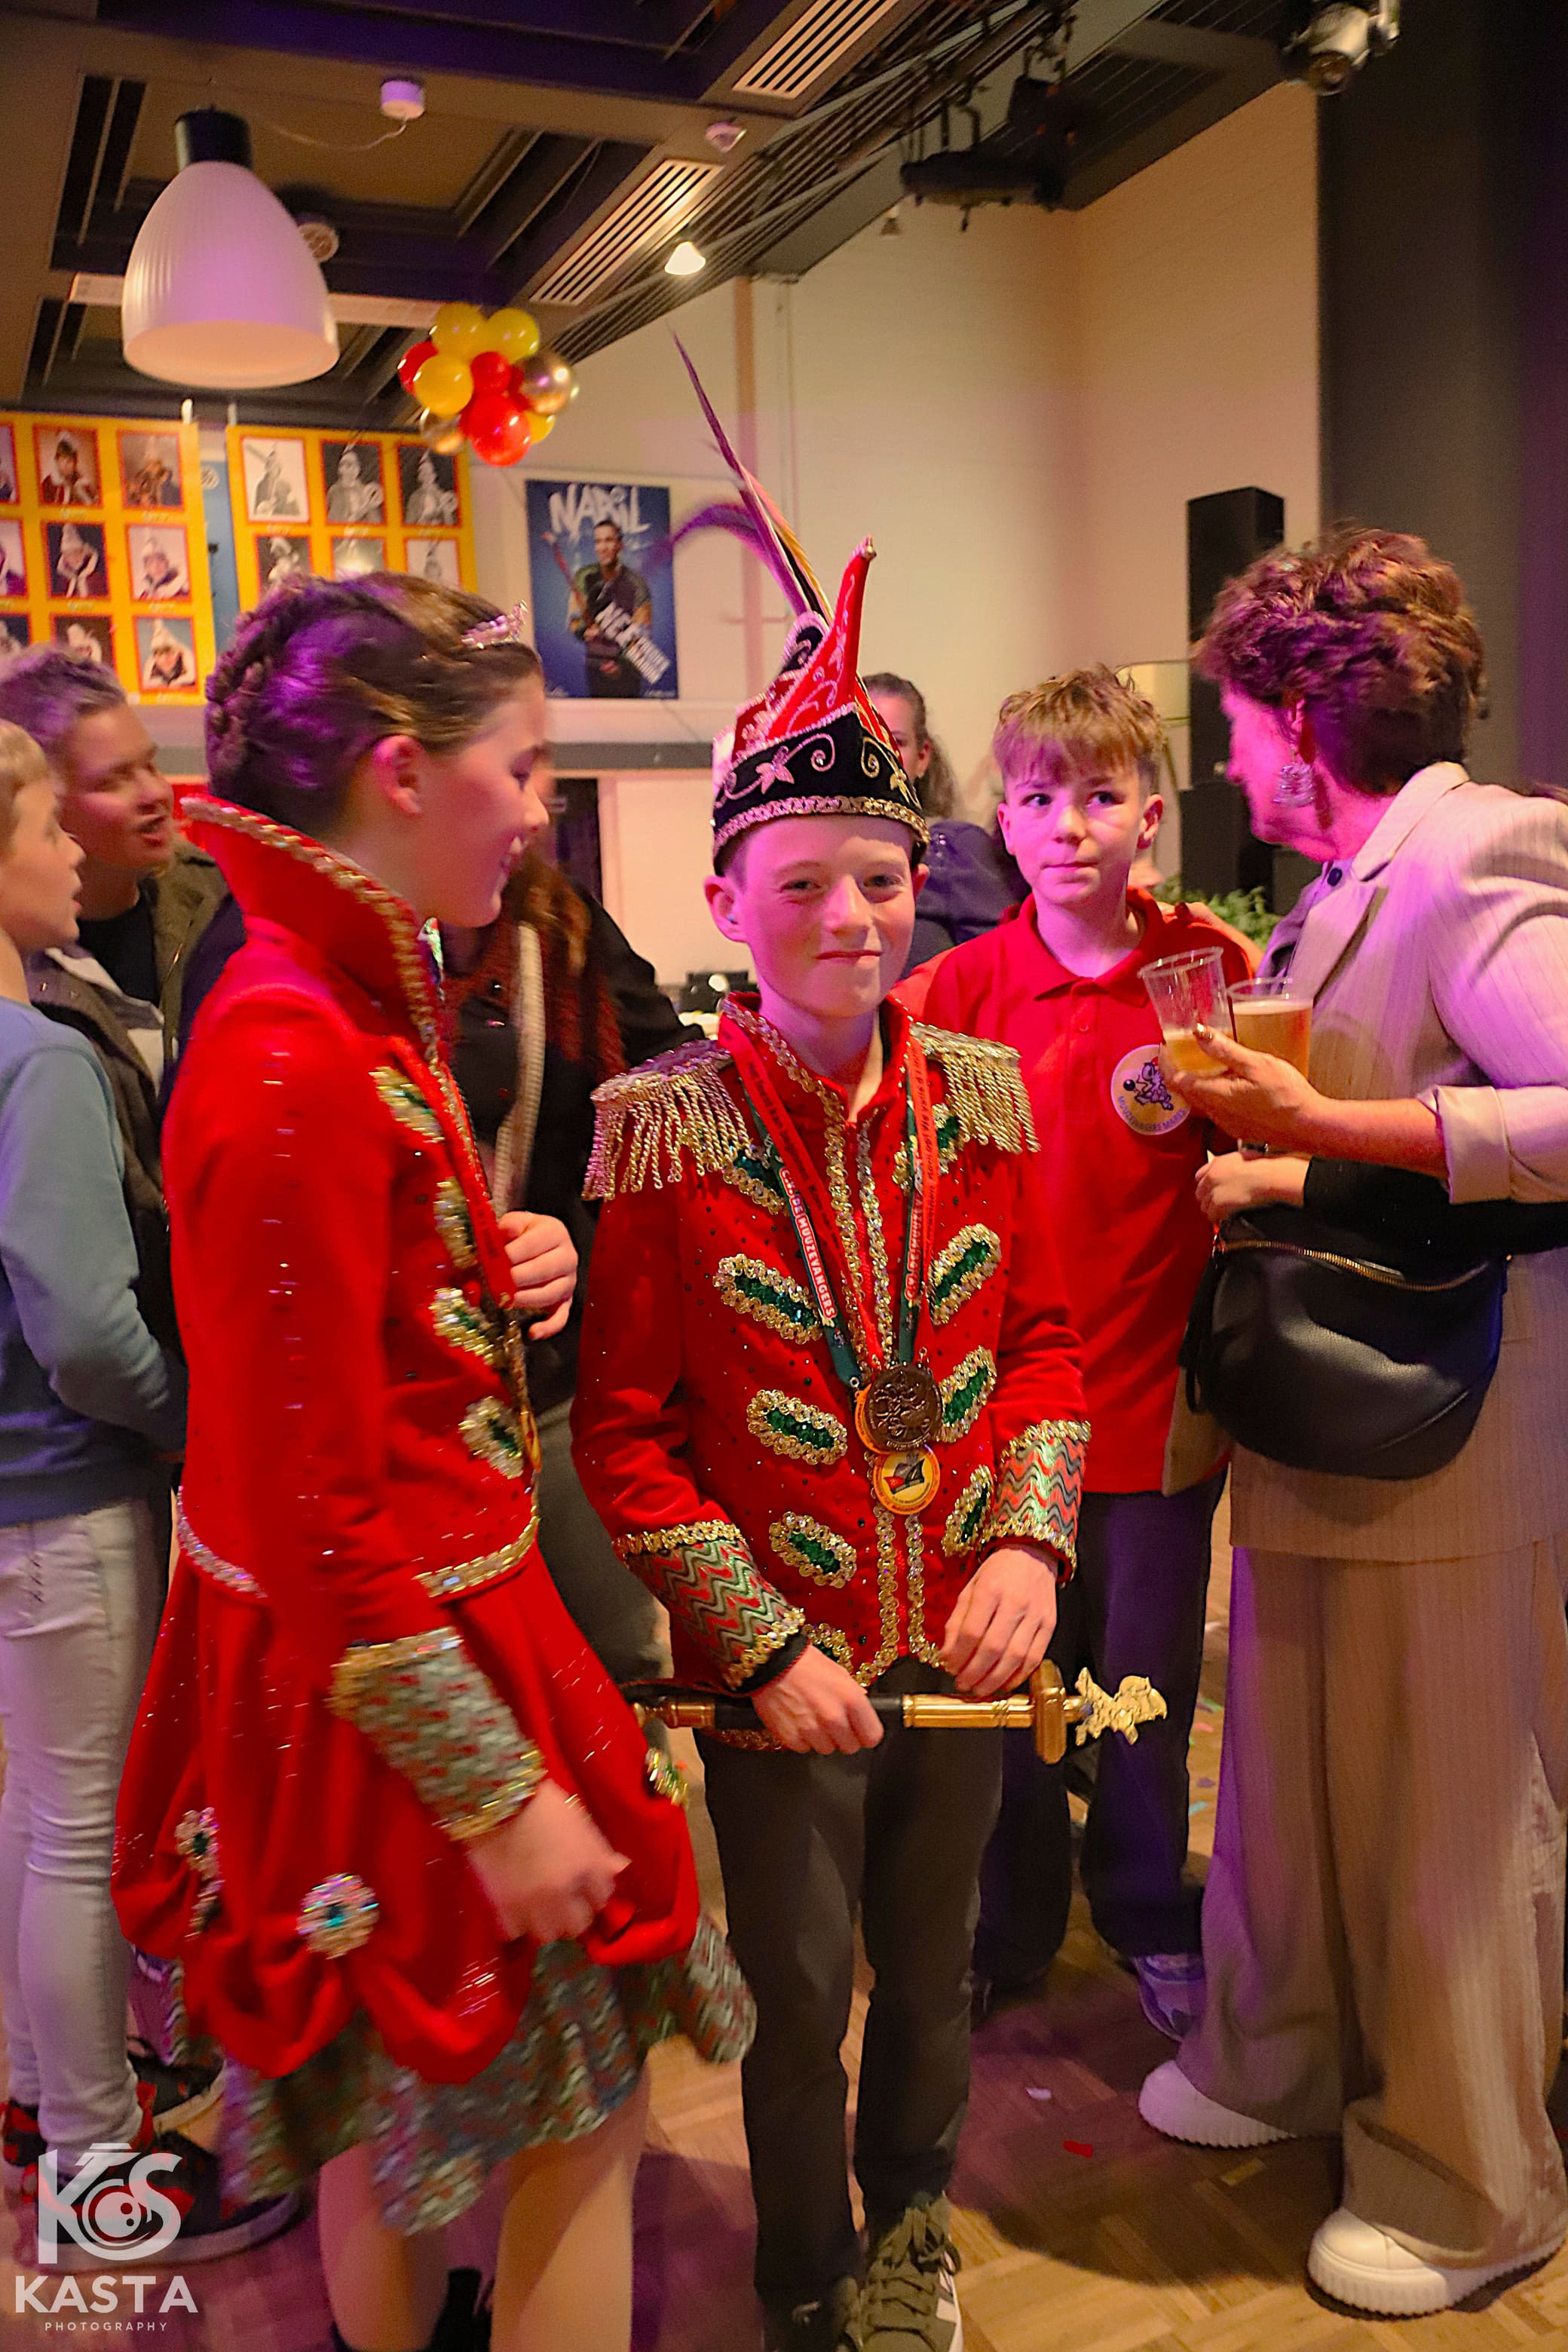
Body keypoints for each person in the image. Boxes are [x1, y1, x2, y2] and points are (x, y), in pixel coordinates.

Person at [111, 574, 752, 2347]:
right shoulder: (293, 1046)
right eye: (523, 766)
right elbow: (305, 1498)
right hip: (407, 1666)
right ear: (401, 769)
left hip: (412, 1634)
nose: (540, 809)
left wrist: (485, 1256)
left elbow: (345, 1357)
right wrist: (496, 1793)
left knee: (385, 2119)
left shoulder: (335, 1002)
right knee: (581, 2118)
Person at [573, 432, 1086, 2352]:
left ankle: (913, 2229)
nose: (852, 916)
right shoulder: (659, 1129)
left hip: (963, 1640)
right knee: (796, 1998)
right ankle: (799, 2269)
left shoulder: (985, 1098)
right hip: (777, 1673)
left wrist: (1029, 1541)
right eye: (803, 883)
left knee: (932, 1974)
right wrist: (761, 1637)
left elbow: (1046, 1349)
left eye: (878, 877)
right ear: (728, 896)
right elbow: (624, 1438)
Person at [1135, 526, 1568, 2318]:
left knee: (1446, 1812)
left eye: (1236, 721)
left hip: (1451, 1423)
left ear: (1302, 714)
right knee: (1291, 1776)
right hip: (1330, 1409)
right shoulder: (1341, 880)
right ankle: (1280, 2048)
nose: (1225, 757)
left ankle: (1472, 2186)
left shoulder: (1475, 851)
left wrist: (1317, 1129)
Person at [910, 668, 1251, 2037]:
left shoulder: (1210, 977)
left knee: (1141, 1694)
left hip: (1160, 1405)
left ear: (1148, 816)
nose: (1068, 825)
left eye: (1100, 796)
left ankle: (1148, 1913)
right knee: (1006, 1695)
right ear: (1003, 817)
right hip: (1003, 1419)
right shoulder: (959, 987)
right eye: (1039, 797)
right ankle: (1010, 1929)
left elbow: (1260, 1148)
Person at [0, 721, 243, 2246]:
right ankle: (96, 2162)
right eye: (44, 828)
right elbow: (88, 1330)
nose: (69, 855)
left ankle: (42, 2092)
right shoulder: (36, 1059)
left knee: (34, 1816)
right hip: (68, 1488)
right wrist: (182, 1423)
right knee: (80, 1833)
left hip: (12, 1494)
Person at [441, 844, 689, 1695]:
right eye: (513, 779)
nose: (533, 812)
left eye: (534, 779)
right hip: (396, 1411)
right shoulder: (299, 963)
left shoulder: (559, 926)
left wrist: (580, 1236)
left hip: (546, 1372)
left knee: (621, 1671)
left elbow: (665, 1090)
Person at [0, 648, 243, 1346]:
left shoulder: (217, 900)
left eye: (151, 764)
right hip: (108, 1345)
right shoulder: (20, 977)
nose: (154, 793)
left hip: (225, 1302)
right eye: (114, 779)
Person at [865, 672, 1026, 970]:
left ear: (922, 756)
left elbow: (1009, 966)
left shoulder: (954, 848)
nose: (877, 755)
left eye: (896, 742)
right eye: (863, 738)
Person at [568, 520, 651, 699]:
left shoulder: (637, 583)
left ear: (620, 545)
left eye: (609, 540)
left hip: (628, 671)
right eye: (598, 541)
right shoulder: (584, 577)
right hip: (595, 667)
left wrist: (621, 665)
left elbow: (643, 631)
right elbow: (574, 620)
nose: (603, 547)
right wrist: (584, 632)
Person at [326, 446, 384, 525]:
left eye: (350, 465)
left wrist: (369, 508)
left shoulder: (366, 491)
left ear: (358, 468)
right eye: (342, 464)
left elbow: (376, 522)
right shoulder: (335, 491)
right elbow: (334, 521)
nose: (344, 468)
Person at [405, 449, 458, 528]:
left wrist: (446, 511)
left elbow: (451, 526)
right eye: (421, 471)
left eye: (428, 472)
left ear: (434, 474)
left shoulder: (445, 496)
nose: (425, 475)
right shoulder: (415, 496)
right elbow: (409, 525)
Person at [40, 433, 95, 507]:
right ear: (57, 461)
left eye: (69, 461)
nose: (65, 465)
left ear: (75, 463)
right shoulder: (48, 484)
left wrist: (82, 496)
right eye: (62, 460)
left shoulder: (82, 484)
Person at [54, 522, 103, 601]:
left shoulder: (98, 579)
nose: (71, 558)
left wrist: (85, 574)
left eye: (76, 553)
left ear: (85, 552)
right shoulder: (62, 581)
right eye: (67, 554)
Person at [141, 621, 196, 691]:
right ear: (155, 657)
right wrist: (157, 682)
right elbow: (144, 684)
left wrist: (179, 681)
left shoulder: (185, 654)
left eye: (170, 654)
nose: (165, 659)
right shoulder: (151, 662)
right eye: (160, 654)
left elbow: (193, 675)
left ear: (178, 654)